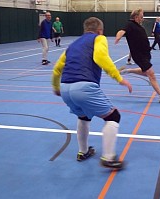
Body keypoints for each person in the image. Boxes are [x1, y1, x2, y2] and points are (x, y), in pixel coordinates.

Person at [52, 17, 132, 170]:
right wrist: (119, 78)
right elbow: (101, 57)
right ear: (100, 30)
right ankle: (108, 158)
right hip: (83, 86)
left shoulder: (73, 45)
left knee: (83, 116)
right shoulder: (99, 38)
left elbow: (57, 69)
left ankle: (83, 151)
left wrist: (56, 87)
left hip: (65, 88)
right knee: (113, 117)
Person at [115, 8, 160, 105]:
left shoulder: (138, 26)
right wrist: (118, 37)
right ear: (136, 17)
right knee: (151, 75)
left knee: (146, 73)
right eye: (141, 17)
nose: (142, 18)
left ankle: (128, 71)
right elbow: (121, 31)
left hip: (146, 54)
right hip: (139, 55)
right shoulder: (130, 24)